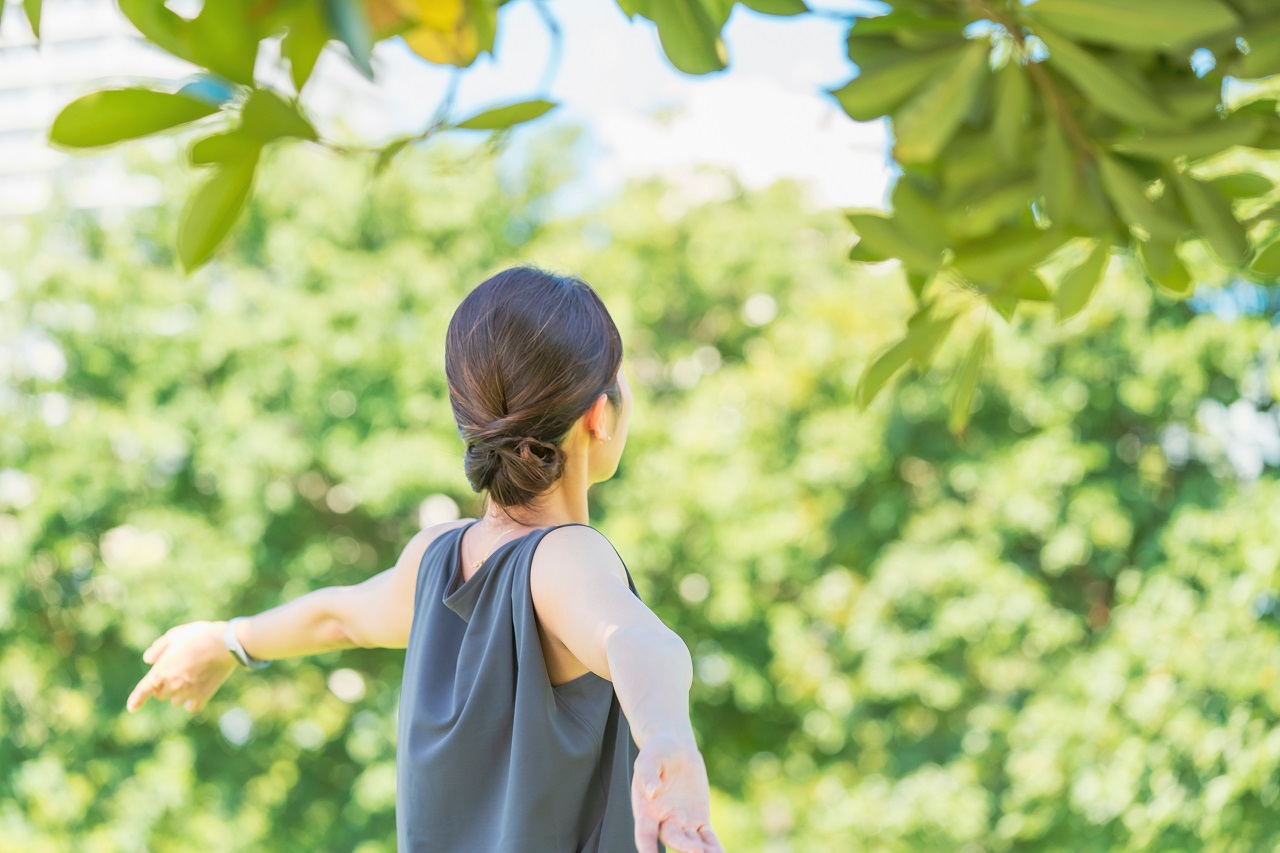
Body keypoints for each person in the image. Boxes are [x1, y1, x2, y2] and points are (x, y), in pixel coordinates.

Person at [125, 265, 725, 853]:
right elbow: (638, 641)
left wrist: (228, 640)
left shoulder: (433, 560)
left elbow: (340, 616)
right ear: (599, 414)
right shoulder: (564, 557)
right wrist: (667, 738)